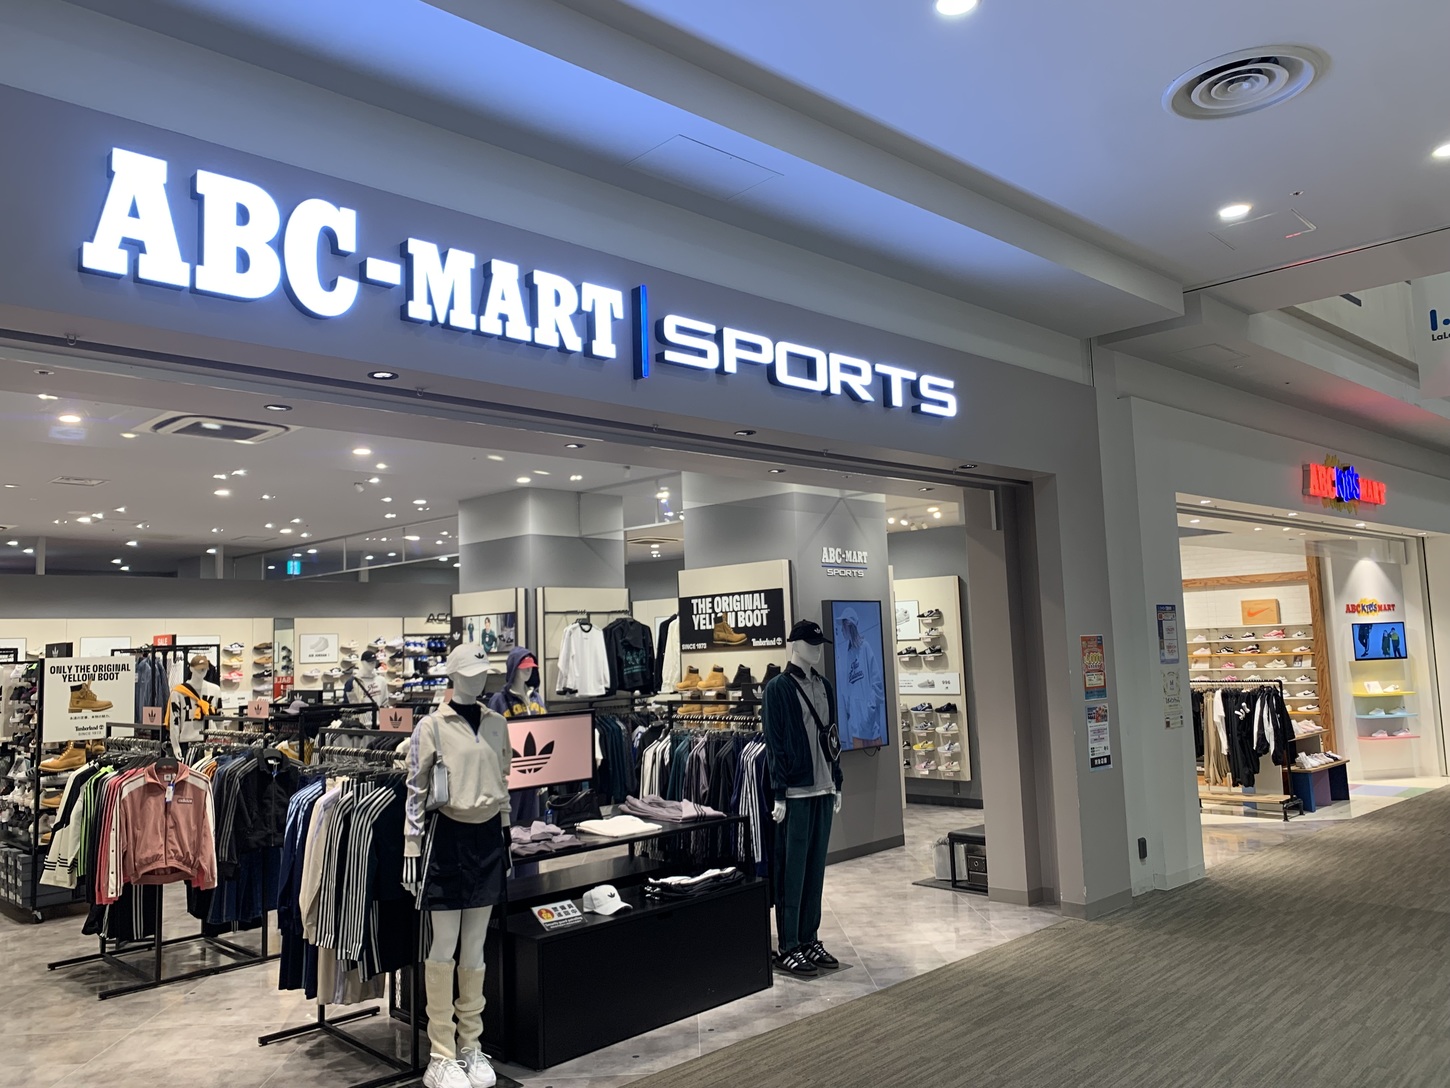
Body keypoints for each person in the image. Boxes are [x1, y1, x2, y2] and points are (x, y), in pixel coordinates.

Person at [836, 607, 886, 749]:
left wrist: (869, 709)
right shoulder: (848, 652)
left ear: (848, 625)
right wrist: (849, 710)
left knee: (876, 756)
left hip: (870, 724)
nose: (842, 630)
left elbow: (877, 683)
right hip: (856, 725)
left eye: (843, 626)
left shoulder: (865, 647)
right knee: (859, 757)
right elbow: (850, 687)